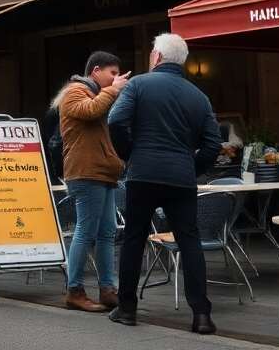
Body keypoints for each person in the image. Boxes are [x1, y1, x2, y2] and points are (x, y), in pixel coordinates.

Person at [108, 33, 222, 335]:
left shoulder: (138, 85)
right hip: (181, 178)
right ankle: (201, 316)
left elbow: (116, 121)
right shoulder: (199, 96)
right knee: (190, 241)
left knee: (134, 238)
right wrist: (190, 166)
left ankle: (128, 309)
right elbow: (213, 144)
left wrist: (130, 154)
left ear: (156, 57)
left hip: (143, 173)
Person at [56, 51, 130, 312]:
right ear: (95, 71)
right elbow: (89, 111)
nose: (116, 78)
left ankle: (107, 289)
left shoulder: (98, 95)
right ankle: (74, 291)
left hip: (102, 172)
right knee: (86, 231)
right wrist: (113, 92)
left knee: (107, 233)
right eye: (112, 73)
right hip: (85, 172)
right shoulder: (76, 91)